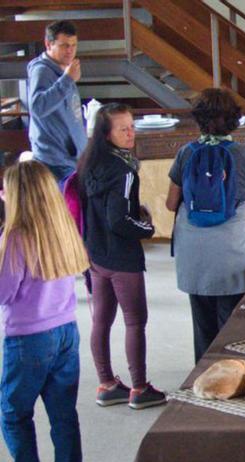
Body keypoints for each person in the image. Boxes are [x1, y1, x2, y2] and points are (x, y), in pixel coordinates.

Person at [0, 160, 89, 462]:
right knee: (63, 413)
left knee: (12, 410)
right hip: (66, 331)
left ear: (18, 196)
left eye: (6, 189)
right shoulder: (63, 229)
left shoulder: (14, 238)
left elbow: (3, 291)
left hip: (27, 338)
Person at [165, 89, 245, 363]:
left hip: (195, 253)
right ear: (234, 119)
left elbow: (171, 203)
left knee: (202, 322)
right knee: (232, 322)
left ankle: (203, 374)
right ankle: (232, 373)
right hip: (233, 253)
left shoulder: (186, 154)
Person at [77, 103, 166, 410]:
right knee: (134, 322)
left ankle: (107, 384)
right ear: (106, 134)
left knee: (101, 320)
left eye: (132, 126)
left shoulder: (88, 163)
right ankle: (140, 388)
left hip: (97, 255)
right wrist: (147, 227)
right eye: (122, 129)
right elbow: (119, 220)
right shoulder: (125, 170)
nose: (131, 133)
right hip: (122, 258)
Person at [26, 21, 86, 182]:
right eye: (64, 45)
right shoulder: (42, 70)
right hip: (55, 161)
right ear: (48, 44)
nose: (70, 50)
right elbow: (38, 107)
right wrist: (67, 80)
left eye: (74, 45)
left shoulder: (64, 69)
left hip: (71, 159)